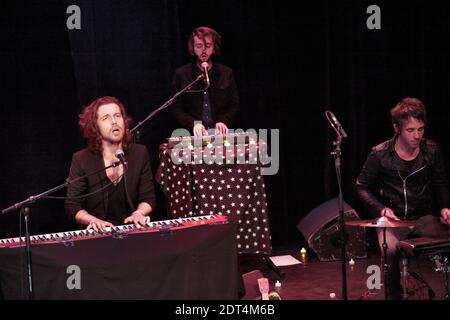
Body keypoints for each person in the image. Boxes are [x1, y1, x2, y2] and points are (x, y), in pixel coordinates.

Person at [355, 97, 450, 299]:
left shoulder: (432, 150)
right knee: (389, 250)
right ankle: (394, 295)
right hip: (393, 221)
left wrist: (445, 207)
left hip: (422, 219)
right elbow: (361, 187)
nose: (417, 135)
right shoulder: (379, 154)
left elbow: (441, 183)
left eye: (421, 129)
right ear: (397, 128)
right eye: (410, 130)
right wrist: (380, 209)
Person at [65, 96, 156, 231]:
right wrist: (93, 220)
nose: (114, 122)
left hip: (132, 230)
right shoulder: (82, 159)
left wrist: (138, 213)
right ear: (95, 126)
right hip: (97, 235)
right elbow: (72, 206)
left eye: (117, 116)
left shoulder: (140, 153)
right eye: (106, 118)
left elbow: (148, 198)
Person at [170, 26, 240, 137]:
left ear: (214, 48)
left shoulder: (226, 73)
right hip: (192, 134)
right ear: (193, 48)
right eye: (199, 46)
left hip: (220, 135)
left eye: (208, 46)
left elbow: (234, 105)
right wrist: (193, 124)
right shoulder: (181, 74)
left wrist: (223, 121)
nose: (203, 51)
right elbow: (175, 107)